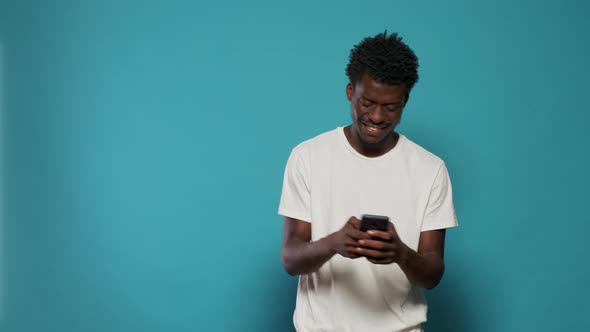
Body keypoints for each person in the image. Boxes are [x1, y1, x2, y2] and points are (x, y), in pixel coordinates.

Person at [278, 32, 458, 332]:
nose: (376, 116)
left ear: (405, 101)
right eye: (367, 102)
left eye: (391, 107)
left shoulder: (431, 169)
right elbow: (290, 259)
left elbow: (432, 274)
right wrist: (332, 244)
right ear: (350, 91)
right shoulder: (308, 157)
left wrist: (400, 253)